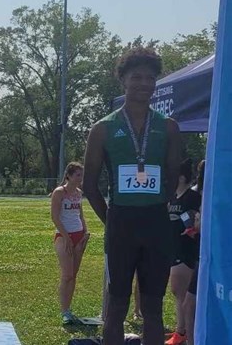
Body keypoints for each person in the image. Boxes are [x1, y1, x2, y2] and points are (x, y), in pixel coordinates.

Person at [83, 47, 181, 345]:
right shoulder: (103, 128)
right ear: (122, 80)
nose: (143, 84)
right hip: (121, 225)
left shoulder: (168, 127)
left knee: (153, 309)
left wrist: (155, 208)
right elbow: (89, 185)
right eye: (136, 77)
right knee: (116, 307)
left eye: (150, 78)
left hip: (156, 224)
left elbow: (173, 177)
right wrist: (111, 218)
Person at [165, 159, 201, 345]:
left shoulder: (193, 197)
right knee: (176, 292)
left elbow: (196, 219)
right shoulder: (172, 196)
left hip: (187, 249)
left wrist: (192, 227)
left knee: (181, 292)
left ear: (180, 177)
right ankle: (181, 329)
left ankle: (183, 331)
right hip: (172, 247)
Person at [51, 162, 90, 325]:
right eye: (78, 175)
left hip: (79, 235)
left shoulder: (79, 193)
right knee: (67, 274)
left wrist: (85, 233)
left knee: (73, 275)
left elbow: (80, 215)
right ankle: (64, 311)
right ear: (69, 176)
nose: (80, 178)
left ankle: (69, 309)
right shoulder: (60, 192)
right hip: (63, 236)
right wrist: (66, 237)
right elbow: (55, 217)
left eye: (82, 175)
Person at [183, 159, 205, 345]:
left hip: (209, 256)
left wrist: (198, 224)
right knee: (189, 304)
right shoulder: (197, 193)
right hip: (201, 254)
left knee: (190, 305)